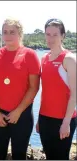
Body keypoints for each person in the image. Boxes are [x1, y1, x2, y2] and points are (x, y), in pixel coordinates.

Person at [0, 18, 40, 160]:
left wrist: (18, 111)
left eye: (12, 32)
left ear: (20, 34)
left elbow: (34, 88)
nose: (8, 35)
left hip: (22, 115)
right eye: (5, 32)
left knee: (19, 156)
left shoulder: (30, 55)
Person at [36, 18, 77, 160]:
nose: (51, 38)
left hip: (63, 119)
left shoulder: (69, 59)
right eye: (48, 34)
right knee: (49, 156)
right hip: (45, 118)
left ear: (63, 36)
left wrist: (66, 123)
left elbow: (74, 94)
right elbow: (45, 92)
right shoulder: (44, 58)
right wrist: (39, 120)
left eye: (55, 35)